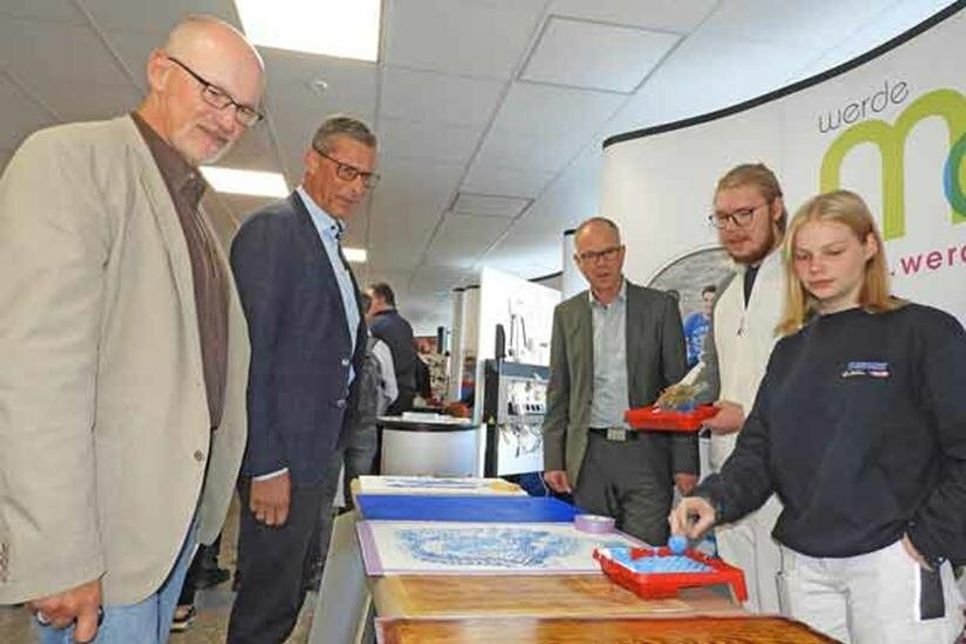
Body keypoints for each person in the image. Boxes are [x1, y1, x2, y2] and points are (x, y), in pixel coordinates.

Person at [0, 15, 263, 643]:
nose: (228, 121)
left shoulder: (198, 219)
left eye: (246, 111)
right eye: (215, 93)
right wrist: (58, 552)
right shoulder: (71, 161)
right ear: (159, 71)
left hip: (165, 534)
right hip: (99, 545)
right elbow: (37, 373)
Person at [671, 190, 966, 642]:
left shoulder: (925, 332)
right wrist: (714, 499)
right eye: (804, 256)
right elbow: (759, 450)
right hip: (806, 567)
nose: (816, 267)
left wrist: (930, 541)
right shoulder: (791, 351)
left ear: (869, 247)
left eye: (833, 252)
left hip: (894, 564)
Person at [227, 114, 376, 644]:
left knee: (288, 598)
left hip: (315, 458)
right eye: (345, 171)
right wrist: (266, 464)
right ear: (311, 160)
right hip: (281, 462)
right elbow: (253, 357)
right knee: (266, 606)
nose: (355, 187)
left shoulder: (331, 246)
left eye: (365, 178)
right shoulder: (274, 232)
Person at [542, 217, 696, 545]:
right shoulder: (566, 315)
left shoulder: (659, 308)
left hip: (646, 454)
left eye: (608, 252)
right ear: (578, 262)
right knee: (593, 556)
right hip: (589, 456)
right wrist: (553, 458)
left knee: (644, 553)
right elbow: (559, 390)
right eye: (590, 256)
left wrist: (685, 462)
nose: (601, 263)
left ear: (622, 253)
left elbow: (680, 392)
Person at [688, 163, 788, 613]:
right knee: (743, 599)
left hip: (788, 475)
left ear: (777, 208)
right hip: (729, 471)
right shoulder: (726, 291)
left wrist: (747, 417)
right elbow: (712, 372)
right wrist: (679, 403)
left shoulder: (806, 280)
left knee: (790, 603)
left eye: (744, 213)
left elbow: (822, 388)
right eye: (722, 218)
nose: (732, 228)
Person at [340, 293, 398, 508]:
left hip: (333, 426)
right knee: (359, 489)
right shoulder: (378, 347)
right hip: (365, 426)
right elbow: (392, 391)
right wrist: (375, 411)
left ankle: (328, 539)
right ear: (369, 312)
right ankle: (356, 534)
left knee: (325, 497)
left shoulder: (334, 340)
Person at [366, 282, 418, 414]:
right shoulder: (405, 325)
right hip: (407, 390)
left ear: (381, 299)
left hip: (385, 394)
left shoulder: (375, 325)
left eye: (369, 299)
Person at [682, 285, 715, 368]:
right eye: (706, 300)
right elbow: (681, 343)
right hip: (694, 363)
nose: (709, 304)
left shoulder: (722, 321)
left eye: (712, 300)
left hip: (714, 363)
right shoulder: (692, 320)